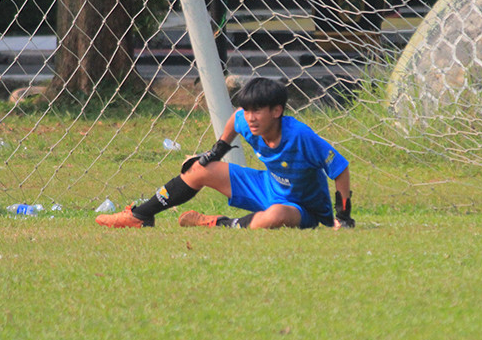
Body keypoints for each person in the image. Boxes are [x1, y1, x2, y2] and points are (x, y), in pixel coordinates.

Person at [95, 77, 354, 230]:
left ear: (277, 111)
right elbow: (234, 119)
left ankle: (221, 223)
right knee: (196, 167)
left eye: (258, 111)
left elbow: (340, 168)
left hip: (300, 207)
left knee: (276, 215)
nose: (250, 118)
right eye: (247, 110)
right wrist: (216, 151)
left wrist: (343, 215)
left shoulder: (301, 136)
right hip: (267, 186)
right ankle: (140, 215)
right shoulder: (248, 121)